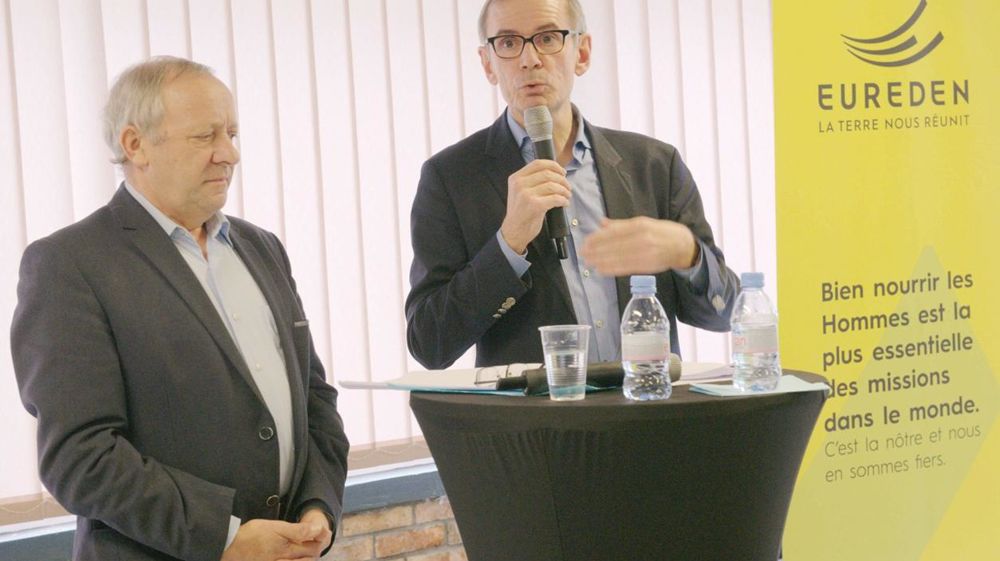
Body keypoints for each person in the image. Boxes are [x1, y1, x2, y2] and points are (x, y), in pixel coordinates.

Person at [10, 56, 349, 561]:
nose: (229, 153)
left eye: (232, 133)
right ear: (134, 144)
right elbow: (80, 459)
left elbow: (314, 399)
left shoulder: (262, 248)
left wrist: (318, 508)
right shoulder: (69, 264)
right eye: (205, 136)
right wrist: (225, 537)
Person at [405, 0, 739, 369]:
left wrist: (688, 253)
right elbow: (429, 343)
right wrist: (508, 244)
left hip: (647, 415)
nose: (529, 59)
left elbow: (726, 315)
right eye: (509, 42)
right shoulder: (451, 178)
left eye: (548, 38)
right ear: (488, 63)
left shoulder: (655, 165)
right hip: (539, 425)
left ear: (581, 52)